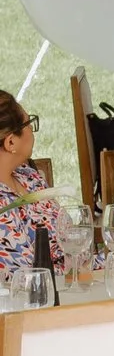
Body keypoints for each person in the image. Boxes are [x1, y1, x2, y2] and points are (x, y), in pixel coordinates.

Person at [0, 93, 63, 275]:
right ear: (11, 141)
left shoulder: (27, 176)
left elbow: (71, 236)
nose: (32, 132)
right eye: (28, 124)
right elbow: (29, 276)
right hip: (45, 288)